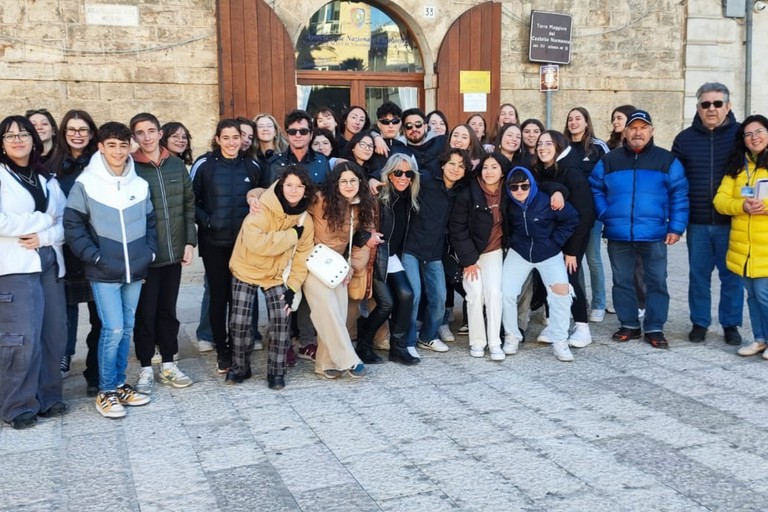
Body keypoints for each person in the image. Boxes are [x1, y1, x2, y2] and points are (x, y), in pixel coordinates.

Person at [64, 121, 156, 418]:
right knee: (113, 328)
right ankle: (105, 391)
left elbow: (151, 222)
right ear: (101, 147)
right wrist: (93, 256)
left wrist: (148, 252)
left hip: (135, 271)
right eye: (111, 145)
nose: (118, 151)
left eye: (123, 145)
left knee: (126, 328)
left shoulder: (139, 184)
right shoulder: (86, 183)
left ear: (130, 147)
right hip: (103, 271)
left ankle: (118, 384)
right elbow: (73, 225)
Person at [589, 110, 689, 348]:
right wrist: (606, 213)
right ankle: (629, 324)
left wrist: (676, 226)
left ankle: (654, 327)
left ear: (651, 131)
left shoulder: (667, 160)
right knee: (622, 280)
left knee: (656, 281)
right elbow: (594, 187)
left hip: (654, 233)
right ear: (625, 132)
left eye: (643, 127)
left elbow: (680, 194)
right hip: (618, 233)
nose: (637, 132)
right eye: (633, 128)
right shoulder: (609, 160)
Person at [0, 115, 68, 429]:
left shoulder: (47, 179)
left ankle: (49, 396)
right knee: (21, 339)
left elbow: (65, 222)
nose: (17, 139)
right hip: (15, 267)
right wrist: (41, 222)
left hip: (48, 261)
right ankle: (17, 404)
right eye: (9, 135)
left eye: (23, 134)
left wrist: (46, 236)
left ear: (33, 140)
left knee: (53, 334)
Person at [228, 165, 316, 388]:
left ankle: (276, 372)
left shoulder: (305, 220)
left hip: (277, 274)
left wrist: (293, 288)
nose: (293, 190)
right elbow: (255, 243)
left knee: (280, 317)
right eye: (289, 185)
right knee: (239, 321)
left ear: (306, 190)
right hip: (246, 267)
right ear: (281, 185)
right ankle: (240, 367)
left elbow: (302, 258)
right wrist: (290, 236)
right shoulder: (262, 206)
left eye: (299, 186)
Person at [129, 113, 196, 394]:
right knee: (145, 313)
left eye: (151, 131)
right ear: (134, 137)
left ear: (159, 134)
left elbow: (189, 205)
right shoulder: (130, 167)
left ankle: (168, 364)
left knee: (168, 312)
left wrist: (189, 242)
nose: (146, 137)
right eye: (140, 132)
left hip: (174, 253)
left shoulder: (176, 165)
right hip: (146, 255)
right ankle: (145, 367)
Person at [672, 82, 743, 345]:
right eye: (705, 104)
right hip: (698, 222)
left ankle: (731, 323)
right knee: (698, 275)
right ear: (698, 107)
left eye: (717, 103)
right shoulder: (685, 139)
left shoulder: (740, 136)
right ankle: (699, 322)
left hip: (733, 221)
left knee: (732, 276)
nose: (711, 109)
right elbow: (676, 182)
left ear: (728, 106)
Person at [192, 119, 262, 373]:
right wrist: (208, 221)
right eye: (227, 138)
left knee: (240, 299)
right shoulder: (204, 165)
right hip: (214, 243)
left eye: (236, 137)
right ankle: (222, 349)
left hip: (244, 245)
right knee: (218, 297)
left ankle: (237, 345)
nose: (232, 142)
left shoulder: (252, 166)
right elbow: (191, 201)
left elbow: (261, 198)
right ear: (218, 139)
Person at [46, 110, 102, 394]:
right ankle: (61, 360)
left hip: (95, 248)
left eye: (83, 129)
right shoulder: (50, 165)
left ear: (92, 133)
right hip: (64, 248)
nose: (77, 134)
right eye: (71, 129)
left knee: (99, 314)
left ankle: (96, 372)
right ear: (63, 132)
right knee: (63, 311)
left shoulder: (101, 163)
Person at [304, 161, 375, 378]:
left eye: (353, 180)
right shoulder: (319, 199)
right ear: (335, 184)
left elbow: (362, 244)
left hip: (338, 267)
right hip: (311, 262)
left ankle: (325, 364)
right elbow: (287, 196)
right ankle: (349, 360)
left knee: (338, 312)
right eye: (343, 181)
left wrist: (351, 267)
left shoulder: (362, 207)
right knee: (327, 309)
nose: (348, 184)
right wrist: (255, 195)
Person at [501, 166, 578, 361]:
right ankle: (512, 335)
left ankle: (560, 339)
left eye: (524, 186)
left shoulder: (546, 200)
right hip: (519, 251)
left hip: (548, 252)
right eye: (514, 186)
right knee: (506, 293)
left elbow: (571, 219)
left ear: (532, 185)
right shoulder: (508, 204)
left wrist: (555, 242)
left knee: (561, 292)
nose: (519, 190)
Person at [402, 148, 469, 357]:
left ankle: (428, 336)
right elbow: (399, 176)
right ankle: (408, 339)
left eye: (461, 166)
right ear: (442, 164)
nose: (455, 169)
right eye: (452, 163)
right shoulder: (425, 179)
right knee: (414, 295)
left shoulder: (460, 190)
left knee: (439, 298)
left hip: (435, 252)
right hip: (411, 247)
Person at [532, 131, 595, 348]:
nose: (542, 147)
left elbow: (586, 212)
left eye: (548, 143)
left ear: (558, 147)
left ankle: (582, 327)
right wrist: (556, 190)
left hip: (573, 237)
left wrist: (572, 250)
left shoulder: (571, 171)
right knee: (551, 280)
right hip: (551, 237)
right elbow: (540, 185)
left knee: (570, 279)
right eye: (540, 144)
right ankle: (556, 326)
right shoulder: (544, 170)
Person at [357, 154, 420, 366]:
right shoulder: (376, 196)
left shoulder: (407, 198)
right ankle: (364, 345)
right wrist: (367, 237)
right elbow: (355, 228)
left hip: (390, 256)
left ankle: (398, 348)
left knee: (407, 295)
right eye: (398, 173)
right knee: (387, 304)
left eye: (408, 173)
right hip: (373, 257)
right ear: (389, 174)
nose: (403, 177)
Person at [714, 115, 768, 358]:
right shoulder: (738, 167)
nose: (754, 137)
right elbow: (720, 200)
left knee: (765, 295)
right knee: (753, 297)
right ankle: (760, 339)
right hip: (743, 247)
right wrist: (742, 206)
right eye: (748, 134)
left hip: (765, 245)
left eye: (759, 131)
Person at [450, 152, 509, 360]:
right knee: (475, 293)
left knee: (494, 293)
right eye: (485, 167)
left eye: (494, 167)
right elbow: (457, 229)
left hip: (494, 252)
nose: (489, 171)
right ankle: (477, 341)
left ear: (502, 172)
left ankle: (494, 342)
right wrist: (468, 261)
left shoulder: (508, 190)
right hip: (472, 253)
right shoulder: (469, 193)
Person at [563, 107, 611, 324]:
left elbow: (609, 175)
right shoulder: (563, 146)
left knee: (592, 256)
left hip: (591, 211)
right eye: (570, 119)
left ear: (586, 122)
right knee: (573, 259)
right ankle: (577, 300)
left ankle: (599, 303)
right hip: (568, 212)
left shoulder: (598, 146)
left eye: (578, 119)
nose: (573, 122)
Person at [268, 109, 329, 185]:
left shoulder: (322, 162)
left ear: (311, 135)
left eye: (303, 131)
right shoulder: (274, 163)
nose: (298, 135)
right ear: (287, 135)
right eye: (292, 132)